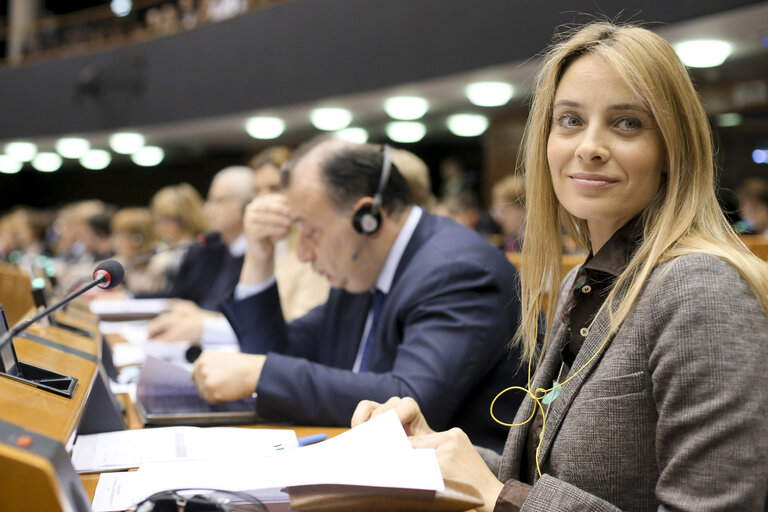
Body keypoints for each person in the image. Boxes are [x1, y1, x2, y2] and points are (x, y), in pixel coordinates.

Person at [353, 22, 768, 511]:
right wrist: (436, 450)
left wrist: (497, 497)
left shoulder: (701, 287)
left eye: (627, 123)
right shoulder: (586, 279)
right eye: (569, 120)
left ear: (671, 150)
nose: (588, 146)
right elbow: (549, 479)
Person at [191, 140, 526, 452]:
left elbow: (410, 403)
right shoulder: (363, 272)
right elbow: (273, 353)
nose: (304, 254)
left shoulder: (457, 270)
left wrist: (261, 373)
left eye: (310, 233)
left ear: (368, 218)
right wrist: (258, 256)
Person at [490, 175, 526, 253]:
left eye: (503, 210)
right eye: (496, 211)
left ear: (522, 208)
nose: (499, 218)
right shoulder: (509, 241)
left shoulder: (536, 244)